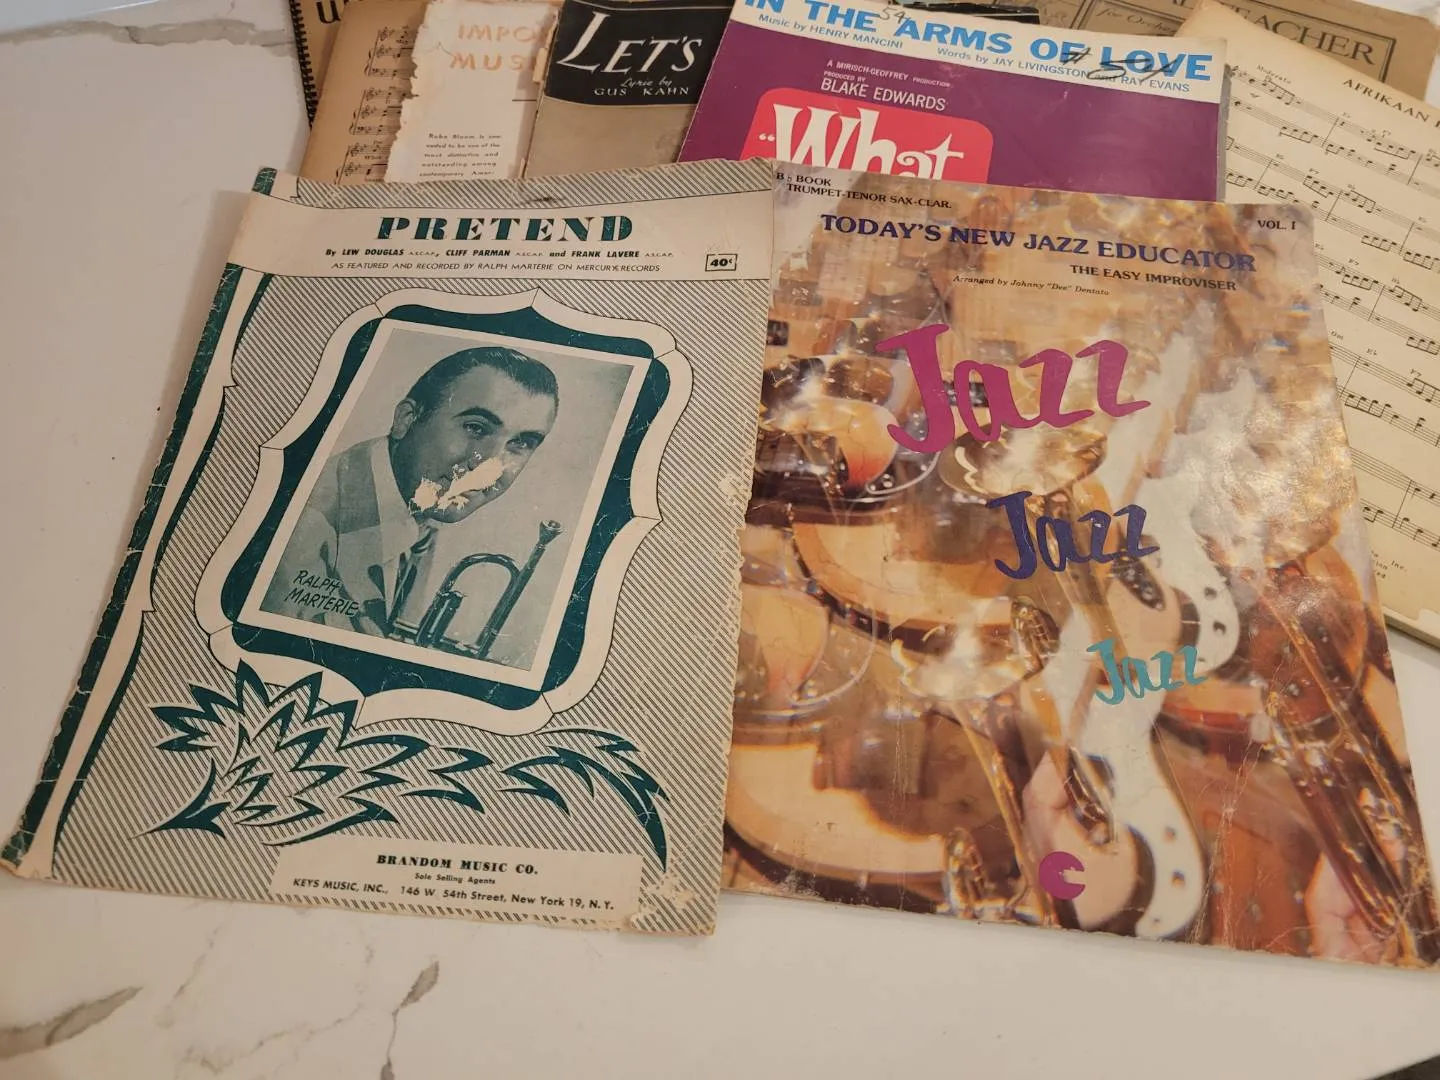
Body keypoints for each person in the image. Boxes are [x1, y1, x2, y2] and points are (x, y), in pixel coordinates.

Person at [261, 345, 559, 639]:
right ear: (406, 419)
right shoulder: (303, 528)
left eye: (521, 443)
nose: (490, 466)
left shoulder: (420, 504)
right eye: (476, 428)